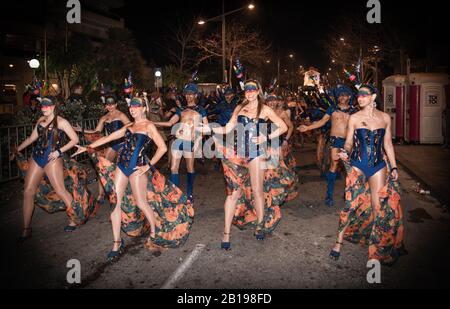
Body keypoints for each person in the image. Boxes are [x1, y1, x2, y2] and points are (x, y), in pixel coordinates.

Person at [72, 97, 193, 261]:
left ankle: (154, 233)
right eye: (131, 106)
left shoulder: (149, 125)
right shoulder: (129, 126)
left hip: (138, 169)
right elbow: (109, 137)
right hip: (121, 166)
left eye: (136, 106)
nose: (133, 109)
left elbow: (163, 148)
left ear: (144, 108)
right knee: (115, 202)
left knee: (142, 202)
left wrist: (148, 166)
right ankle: (116, 242)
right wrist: (88, 147)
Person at [329, 85, 405, 265]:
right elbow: (348, 143)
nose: (360, 98)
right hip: (357, 164)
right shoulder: (354, 118)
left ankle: (378, 249)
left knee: (378, 206)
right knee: (351, 204)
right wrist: (344, 152)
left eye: (364, 95)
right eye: (359, 95)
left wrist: (394, 167)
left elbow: (387, 144)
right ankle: (338, 243)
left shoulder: (385, 117)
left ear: (373, 97)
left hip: (378, 165)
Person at [211, 80, 288, 250]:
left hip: (257, 153)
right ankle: (226, 233)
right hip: (238, 154)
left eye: (253, 89)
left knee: (257, 190)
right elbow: (227, 128)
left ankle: (260, 225)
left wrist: (266, 137)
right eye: (247, 89)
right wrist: (205, 128)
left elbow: (283, 127)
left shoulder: (265, 109)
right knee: (233, 193)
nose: (250, 92)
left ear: (258, 91)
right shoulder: (239, 107)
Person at [11, 97, 83, 240]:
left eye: (47, 106)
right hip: (37, 157)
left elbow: (75, 140)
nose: (44, 108)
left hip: (52, 160)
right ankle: (26, 228)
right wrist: (15, 151)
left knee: (60, 190)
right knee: (27, 191)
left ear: (54, 106)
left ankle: (75, 218)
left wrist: (58, 151)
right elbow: (31, 139)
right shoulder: (40, 120)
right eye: (42, 106)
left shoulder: (62, 122)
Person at [298, 85, 356, 207]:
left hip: (349, 143)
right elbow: (321, 122)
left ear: (349, 97)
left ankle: (348, 194)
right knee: (333, 166)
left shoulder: (354, 112)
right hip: (335, 141)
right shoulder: (332, 109)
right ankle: (329, 195)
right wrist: (307, 127)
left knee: (348, 169)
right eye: (340, 95)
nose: (342, 98)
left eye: (345, 95)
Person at [154, 83, 209, 201]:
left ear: (196, 95)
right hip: (178, 141)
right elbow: (170, 123)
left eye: (191, 94)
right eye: (187, 94)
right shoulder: (181, 109)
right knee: (173, 168)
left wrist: (198, 137)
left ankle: (189, 193)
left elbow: (207, 128)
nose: (189, 96)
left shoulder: (201, 110)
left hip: (190, 142)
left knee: (190, 168)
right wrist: (153, 123)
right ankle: (176, 194)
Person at [74, 94, 131, 207]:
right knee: (102, 167)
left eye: (112, 104)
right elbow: (97, 132)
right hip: (112, 144)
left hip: (123, 143)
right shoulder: (104, 118)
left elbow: (131, 127)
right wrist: (82, 129)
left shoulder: (121, 115)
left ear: (116, 104)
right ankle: (101, 194)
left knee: (126, 168)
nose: (110, 107)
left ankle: (128, 192)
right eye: (108, 105)